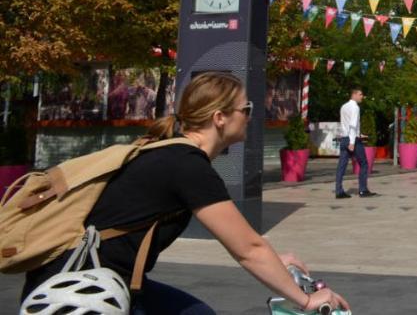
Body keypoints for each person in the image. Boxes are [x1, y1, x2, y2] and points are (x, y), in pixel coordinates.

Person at [21, 71, 350, 314]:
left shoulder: (175, 155)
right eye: (245, 109)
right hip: (81, 292)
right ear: (220, 118)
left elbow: (238, 238)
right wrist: (306, 300)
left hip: (100, 279)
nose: (251, 117)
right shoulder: (186, 165)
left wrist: (277, 261)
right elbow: (248, 249)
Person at [335, 87, 375, 198]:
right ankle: (363, 190)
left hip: (344, 138)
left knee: (341, 166)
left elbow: (345, 124)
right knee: (364, 164)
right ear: (354, 95)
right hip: (353, 140)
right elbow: (352, 125)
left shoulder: (344, 107)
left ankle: (338, 191)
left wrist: (358, 134)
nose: (362, 97)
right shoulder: (355, 107)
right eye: (361, 94)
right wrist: (352, 141)